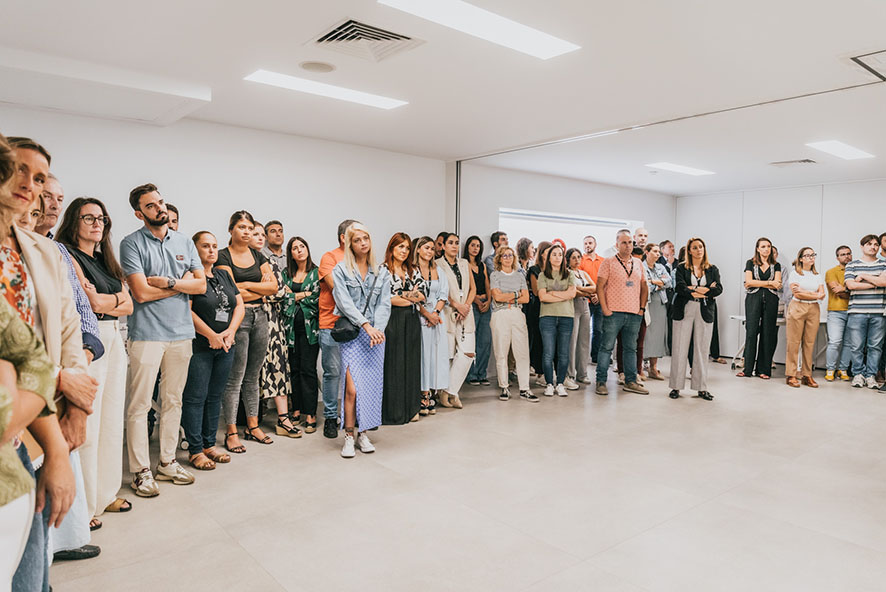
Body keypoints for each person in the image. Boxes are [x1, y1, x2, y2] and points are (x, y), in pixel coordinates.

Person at [5, 137, 93, 589]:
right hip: (16, 411)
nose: (29, 184)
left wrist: (75, 407)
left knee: (32, 564)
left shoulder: (41, 250)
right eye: (19, 169)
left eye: (39, 177)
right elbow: (23, 359)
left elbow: (68, 328)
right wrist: (55, 378)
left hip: (35, 420)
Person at [120, 183, 205, 495]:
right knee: (140, 404)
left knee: (173, 401)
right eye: (151, 206)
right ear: (139, 213)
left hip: (181, 333)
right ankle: (141, 470)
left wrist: (168, 283)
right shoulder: (131, 244)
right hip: (146, 335)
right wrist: (181, 285)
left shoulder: (184, 240)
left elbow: (201, 286)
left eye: (161, 202)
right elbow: (141, 293)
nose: (160, 209)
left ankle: (167, 462)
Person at [56, 198, 134, 526]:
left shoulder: (105, 260)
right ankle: (85, 506)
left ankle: (105, 493)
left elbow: (128, 305)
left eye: (101, 218)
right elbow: (89, 303)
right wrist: (112, 300)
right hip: (90, 339)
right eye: (88, 218)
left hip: (114, 335)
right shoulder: (66, 254)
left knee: (112, 418)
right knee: (89, 420)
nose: (97, 223)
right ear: (73, 222)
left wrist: (107, 299)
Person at [214, 211, 279, 450]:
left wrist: (247, 286)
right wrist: (258, 287)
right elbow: (231, 293)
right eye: (241, 227)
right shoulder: (223, 256)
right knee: (235, 378)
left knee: (253, 375)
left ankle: (253, 426)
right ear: (231, 229)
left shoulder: (257, 255)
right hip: (238, 319)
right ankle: (231, 431)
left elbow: (273, 287)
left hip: (261, 317)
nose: (247, 232)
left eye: (250, 228)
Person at [181, 231, 244, 469]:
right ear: (194, 250)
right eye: (205, 246)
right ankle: (195, 450)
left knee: (215, 396)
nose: (211, 250)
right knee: (195, 397)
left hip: (226, 345)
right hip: (200, 345)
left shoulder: (223, 274)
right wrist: (211, 335)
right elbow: (186, 310)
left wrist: (231, 332)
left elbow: (239, 305)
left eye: (214, 246)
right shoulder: (190, 276)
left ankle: (209, 445)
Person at [332, 223, 392, 457]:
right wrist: (366, 325)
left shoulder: (382, 272)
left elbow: (384, 304)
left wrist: (378, 330)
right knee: (352, 389)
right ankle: (348, 435)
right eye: (357, 240)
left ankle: (363, 433)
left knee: (370, 388)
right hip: (354, 335)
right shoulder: (341, 270)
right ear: (349, 244)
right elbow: (344, 302)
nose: (363, 243)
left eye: (365, 238)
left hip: (375, 337)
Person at [252, 220, 299, 438]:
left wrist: (260, 291)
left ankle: (283, 419)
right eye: (256, 234)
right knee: (251, 373)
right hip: (248, 320)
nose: (259, 238)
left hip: (273, 322)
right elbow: (235, 292)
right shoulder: (237, 262)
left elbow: (280, 292)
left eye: (262, 234)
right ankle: (252, 422)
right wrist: (263, 289)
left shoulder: (269, 262)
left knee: (278, 368)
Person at [594, 230, 649, 396]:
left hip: (634, 313)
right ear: (617, 245)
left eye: (630, 242)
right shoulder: (608, 262)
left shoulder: (638, 263)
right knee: (606, 348)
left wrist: (641, 309)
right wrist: (605, 309)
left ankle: (631, 381)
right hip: (613, 313)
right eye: (624, 243)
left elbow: (644, 287)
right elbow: (599, 286)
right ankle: (601, 382)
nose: (627, 246)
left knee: (631, 349)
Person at [318, 219, 359, 439]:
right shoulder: (330, 258)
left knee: (356, 373)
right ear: (343, 237)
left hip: (358, 324)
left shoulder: (362, 259)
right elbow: (338, 289)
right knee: (333, 372)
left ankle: (354, 416)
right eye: (356, 233)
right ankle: (331, 417)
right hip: (332, 323)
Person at [669, 238, 722, 401]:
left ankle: (701, 388)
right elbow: (679, 287)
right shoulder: (681, 268)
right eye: (695, 247)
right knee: (679, 348)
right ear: (689, 251)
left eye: (701, 247)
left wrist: (694, 289)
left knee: (702, 349)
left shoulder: (712, 269)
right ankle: (676, 387)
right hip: (684, 309)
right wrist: (704, 290)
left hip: (704, 309)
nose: (699, 250)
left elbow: (718, 289)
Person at [381, 233, 423, 424]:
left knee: (411, 363)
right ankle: (394, 411)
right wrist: (409, 295)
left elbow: (422, 295)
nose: (404, 251)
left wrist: (401, 295)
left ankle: (412, 409)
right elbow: (386, 299)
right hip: (391, 320)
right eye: (400, 247)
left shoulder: (413, 270)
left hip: (412, 319)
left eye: (407, 248)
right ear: (392, 248)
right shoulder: (382, 270)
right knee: (394, 363)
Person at [281, 236, 320, 433]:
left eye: (302, 246)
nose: (299, 250)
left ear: (307, 249)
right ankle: (296, 409)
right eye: (295, 248)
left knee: (308, 370)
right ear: (291, 253)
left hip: (310, 329)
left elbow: (317, 299)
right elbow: (281, 297)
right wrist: (304, 294)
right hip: (288, 330)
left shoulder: (317, 273)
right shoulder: (285, 274)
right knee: (293, 370)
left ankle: (310, 413)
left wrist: (294, 296)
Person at [489, 246, 538, 401]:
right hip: (500, 315)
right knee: (501, 352)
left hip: (517, 313)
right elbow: (497, 297)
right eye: (504, 256)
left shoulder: (519, 275)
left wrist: (508, 296)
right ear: (499, 258)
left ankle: (525, 388)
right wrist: (517, 294)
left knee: (522, 352)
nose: (508, 258)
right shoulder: (495, 275)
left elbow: (526, 298)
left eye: (510, 255)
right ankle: (504, 387)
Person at [437, 233, 476, 409]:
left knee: (468, 353)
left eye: (457, 243)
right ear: (443, 246)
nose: (454, 246)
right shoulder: (438, 264)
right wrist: (456, 305)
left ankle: (449, 391)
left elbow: (473, 288)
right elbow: (440, 291)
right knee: (450, 355)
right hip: (448, 312)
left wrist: (465, 306)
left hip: (466, 312)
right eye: (450, 243)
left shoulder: (464, 263)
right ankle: (452, 394)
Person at [843, 234, 886, 389]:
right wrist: (875, 283)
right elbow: (851, 285)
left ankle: (870, 376)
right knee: (856, 347)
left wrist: (863, 276)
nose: (873, 247)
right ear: (862, 247)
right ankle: (858, 375)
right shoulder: (852, 265)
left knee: (875, 347)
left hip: (878, 312)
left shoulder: (884, 264)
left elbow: (884, 282)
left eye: (876, 244)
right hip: (857, 312)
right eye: (869, 244)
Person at [537, 244, 577, 397]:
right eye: (554, 254)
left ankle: (560, 383)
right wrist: (563, 295)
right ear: (548, 258)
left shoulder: (569, 274)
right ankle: (549, 383)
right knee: (548, 352)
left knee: (563, 353)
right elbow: (542, 297)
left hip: (566, 317)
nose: (557, 257)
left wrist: (552, 293)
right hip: (547, 317)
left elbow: (572, 294)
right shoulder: (542, 275)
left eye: (560, 254)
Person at [739, 238, 782, 379]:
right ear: (757, 249)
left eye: (768, 246)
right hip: (753, 299)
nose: (766, 249)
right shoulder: (750, 263)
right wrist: (770, 283)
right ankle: (747, 369)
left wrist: (757, 283)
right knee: (751, 333)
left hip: (771, 300)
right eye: (763, 246)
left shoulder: (776, 265)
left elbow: (778, 284)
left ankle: (763, 370)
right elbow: (748, 282)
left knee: (767, 333)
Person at [414, 236, 448, 415]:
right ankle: (422, 394)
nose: (429, 251)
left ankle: (431, 391)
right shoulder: (412, 270)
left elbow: (443, 293)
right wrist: (427, 314)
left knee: (435, 356)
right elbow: (412, 296)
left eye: (432, 248)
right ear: (418, 249)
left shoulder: (438, 270)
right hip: (419, 315)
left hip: (436, 317)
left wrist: (435, 313)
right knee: (422, 356)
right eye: (426, 247)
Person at [785, 247, 825, 388]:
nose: (811, 257)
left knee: (809, 343)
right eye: (807, 255)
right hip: (798, 306)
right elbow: (797, 294)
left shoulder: (817, 275)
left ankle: (807, 375)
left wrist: (805, 291)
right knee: (794, 342)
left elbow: (822, 295)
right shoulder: (795, 274)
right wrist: (814, 294)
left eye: (813, 255)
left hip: (814, 308)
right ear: (801, 259)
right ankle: (791, 374)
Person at [616, 246, 648, 383]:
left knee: (638, 344)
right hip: (623, 309)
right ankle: (622, 372)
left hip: (640, 311)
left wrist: (641, 309)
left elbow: (647, 288)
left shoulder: (641, 269)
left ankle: (637, 371)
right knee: (623, 343)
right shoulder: (621, 269)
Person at [464, 235, 492, 386]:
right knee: (471, 340)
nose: (475, 248)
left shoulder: (482, 265)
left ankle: (482, 373)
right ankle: (471, 374)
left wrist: (488, 300)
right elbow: (466, 287)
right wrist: (476, 301)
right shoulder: (463, 264)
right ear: (467, 247)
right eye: (472, 245)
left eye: (478, 246)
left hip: (485, 304)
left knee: (485, 341)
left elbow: (487, 285)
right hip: (472, 304)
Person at [824, 245, 853, 381]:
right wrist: (853, 290)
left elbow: (846, 291)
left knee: (849, 343)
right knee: (835, 342)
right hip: (836, 312)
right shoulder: (831, 272)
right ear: (837, 257)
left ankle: (843, 369)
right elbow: (838, 292)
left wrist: (845, 289)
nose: (846, 256)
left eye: (848, 253)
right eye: (843, 254)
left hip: (854, 311)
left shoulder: (856, 271)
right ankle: (830, 370)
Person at [566, 247, 594, 385]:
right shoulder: (566, 273)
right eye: (573, 257)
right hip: (573, 306)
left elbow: (594, 287)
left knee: (584, 341)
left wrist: (582, 289)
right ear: (568, 260)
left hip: (585, 307)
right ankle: (570, 374)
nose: (577, 260)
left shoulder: (583, 273)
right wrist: (587, 292)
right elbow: (572, 292)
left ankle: (582, 373)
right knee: (572, 341)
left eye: (578, 257)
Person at [642, 243, 670, 380]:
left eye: (659, 251)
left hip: (660, 304)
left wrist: (654, 282)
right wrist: (659, 284)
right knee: (645, 336)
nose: (658, 254)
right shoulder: (641, 266)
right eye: (654, 251)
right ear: (647, 252)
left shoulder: (661, 267)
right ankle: (640, 368)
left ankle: (653, 368)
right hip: (647, 303)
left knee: (658, 336)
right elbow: (645, 285)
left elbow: (669, 282)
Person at [527, 241, 551, 385]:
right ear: (541, 253)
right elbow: (536, 292)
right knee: (538, 341)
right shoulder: (534, 270)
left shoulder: (553, 269)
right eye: (548, 251)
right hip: (537, 309)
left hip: (551, 308)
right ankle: (539, 372)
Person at [579, 235, 604, 364]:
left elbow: (605, 281)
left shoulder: (603, 261)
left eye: (590, 243)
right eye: (585, 243)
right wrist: (591, 295)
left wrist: (598, 295)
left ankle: (596, 356)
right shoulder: (580, 261)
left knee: (598, 330)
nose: (587, 245)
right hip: (585, 300)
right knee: (583, 330)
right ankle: (582, 357)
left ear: (595, 244)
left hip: (600, 300)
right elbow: (580, 281)